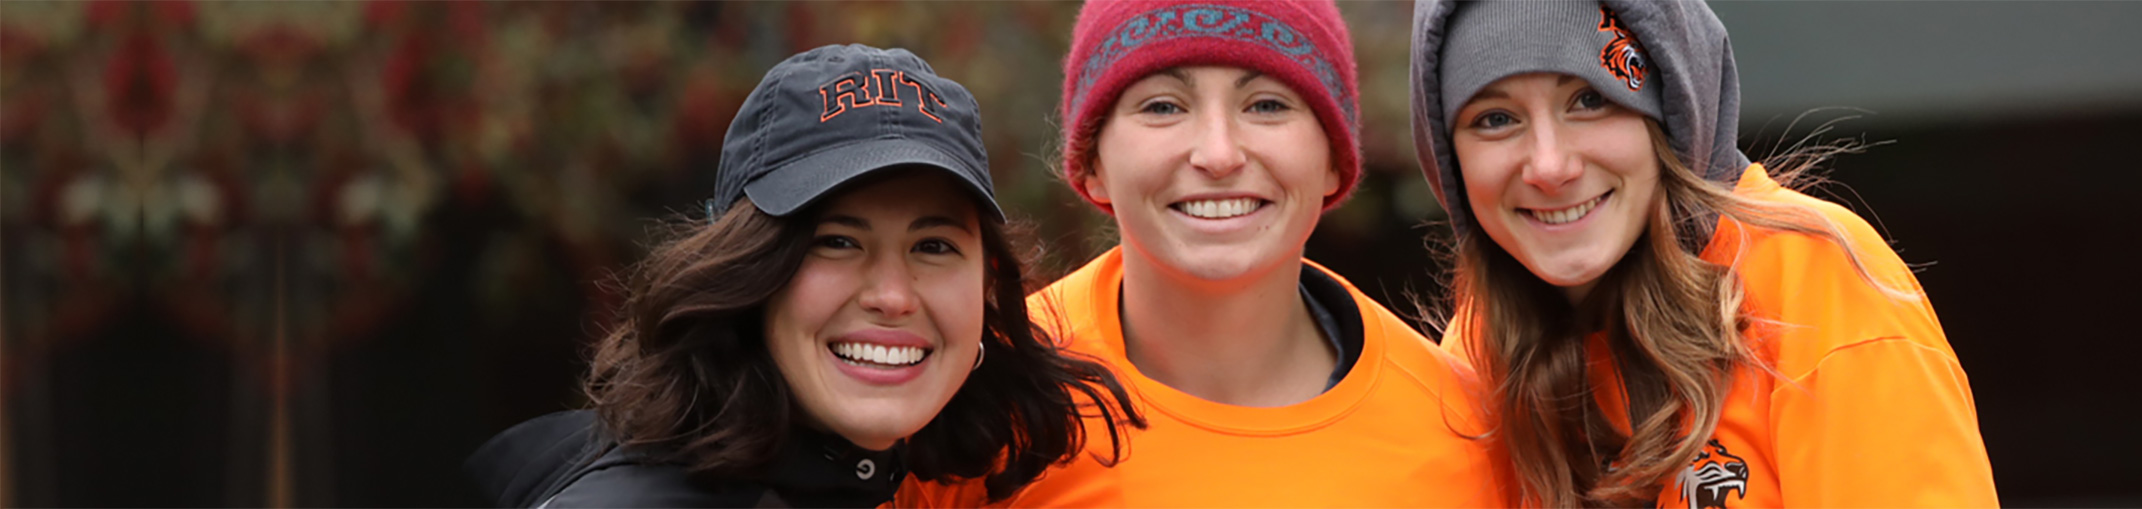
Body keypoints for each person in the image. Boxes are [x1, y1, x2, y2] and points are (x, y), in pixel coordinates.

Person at [464, 44, 1139, 508]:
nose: (892, 295)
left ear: (990, 284)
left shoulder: (931, 475)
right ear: (745, 275)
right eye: (837, 242)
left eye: (933, 245)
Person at [898, 1, 1505, 506]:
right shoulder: (974, 397)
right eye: (1163, 106)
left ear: (1333, 161)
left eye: (1267, 104)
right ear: (1093, 166)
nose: (1218, 154)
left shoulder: (1464, 432)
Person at [1409, 1, 1998, 506]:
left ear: (1674, 112)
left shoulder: (1813, 285)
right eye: (1495, 119)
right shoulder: (1477, 353)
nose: (1549, 165)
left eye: (1591, 101)